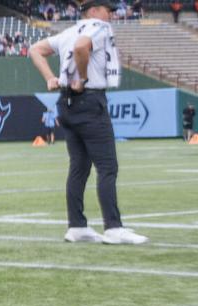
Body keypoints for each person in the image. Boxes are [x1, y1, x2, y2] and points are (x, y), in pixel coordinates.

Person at [29, 0, 148, 245]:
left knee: (79, 167)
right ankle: (113, 228)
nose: (111, 15)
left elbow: (34, 49)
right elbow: (82, 47)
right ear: (93, 10)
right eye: (107, 10)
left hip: (66, 102)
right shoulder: (98, 27)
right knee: (107, 167)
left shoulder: (69, 31)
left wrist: (50, 77)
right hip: (89, 99)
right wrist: (82, 78)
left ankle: (77, 226)